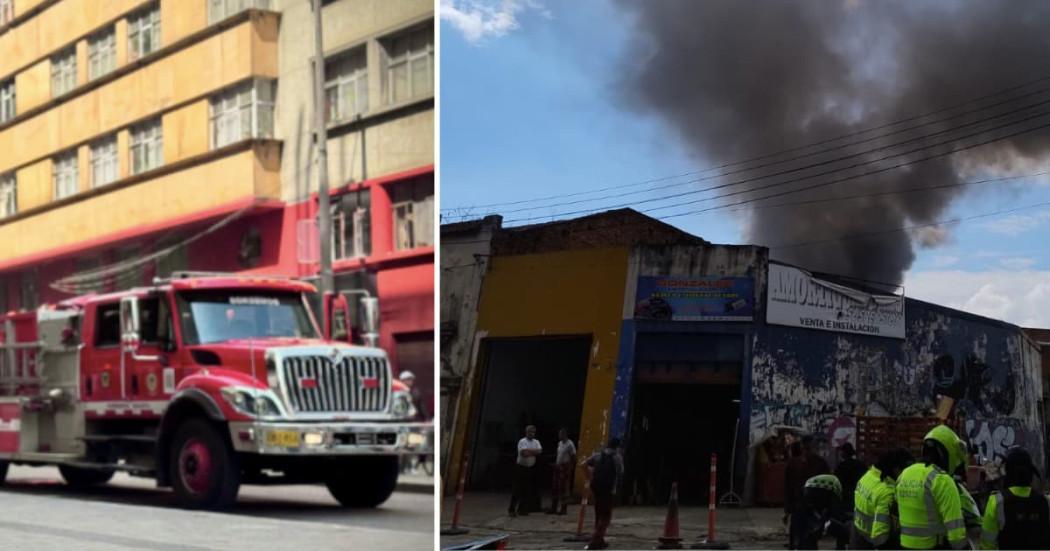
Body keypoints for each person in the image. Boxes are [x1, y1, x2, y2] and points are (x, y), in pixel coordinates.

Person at [895, 425, 967, 550]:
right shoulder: (943, 481)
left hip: (904, 546)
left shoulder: (904, 474)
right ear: (948, 452)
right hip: (933, 546)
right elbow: (956, 534)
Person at [979, 447, 1050, 550]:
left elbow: (987, 545)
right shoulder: (1045, 502)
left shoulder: (997, 502)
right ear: (1031, 473)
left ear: (1008, 472)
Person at [853, 447, 915, 550]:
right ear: (896, 469)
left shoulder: (869, 476)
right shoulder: (887, 493)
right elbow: (880, 537)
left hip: (857, 533)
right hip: (870, 543)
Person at [786, 436, 831, 549]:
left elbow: (788, 487)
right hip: (810, 506)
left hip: (802, 506)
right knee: (809, 538)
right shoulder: (820, 463)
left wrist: (787, 509)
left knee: (800, 537)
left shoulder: (794, 463)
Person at [585, 437, 624, 551]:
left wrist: (590, 477)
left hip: (596, 488)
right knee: (606, 515)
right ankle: (595, 540)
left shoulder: (598, 455)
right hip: (608, 489)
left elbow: (585, 463)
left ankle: (600, 539)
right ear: (617, 447)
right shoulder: (617, 457)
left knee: (598, 512)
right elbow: (620, 472)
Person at [794, 474, 850, 550]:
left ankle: (804, 544)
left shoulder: (833, 484)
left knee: (809, 524)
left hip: (807, 489)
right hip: (816, 490)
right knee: (831, 522)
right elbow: (835, 512)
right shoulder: (837, 490)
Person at [508, 425, 542, 517]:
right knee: (517, 489)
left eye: (533, 432)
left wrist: (529, 451)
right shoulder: (522, 441)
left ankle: (522, 509)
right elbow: (524, 453)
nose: (532, 434)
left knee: (527, 490)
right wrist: (533, 451)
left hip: (530, 468)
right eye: (530, 432)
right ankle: (511, 509)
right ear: (526, 432)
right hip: (520, 468)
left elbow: (539, 451)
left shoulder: (536, 442)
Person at [547, 428, 576, 515]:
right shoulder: (559, 443)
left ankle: (563, 509)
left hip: (565, 467)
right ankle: (554, 507)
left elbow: (573, 456)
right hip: (558, 466)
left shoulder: (570, 444)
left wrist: (571, 468)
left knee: (563, 488)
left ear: (565, 435)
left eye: (560, 434)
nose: (559, 436)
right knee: (555, 487)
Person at [834, 442, 866, 513]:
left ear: (844, 453)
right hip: (859, 494)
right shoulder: (859, 464)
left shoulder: (841, 466)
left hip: (845, 496)